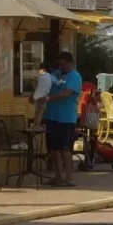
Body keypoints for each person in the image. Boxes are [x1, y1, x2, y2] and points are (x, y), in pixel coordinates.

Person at [38, 47, 83, 186]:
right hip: (52, 116)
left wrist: (49, 98)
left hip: (66, 118)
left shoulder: (75, 76)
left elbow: (67, 93)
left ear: (70, 63)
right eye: (60, 64)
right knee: (53, 148)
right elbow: (45, 85)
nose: (61, 67)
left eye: (64, 64)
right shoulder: (56, 74)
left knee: (65, 148)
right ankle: (58, 175)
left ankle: (68, 177)